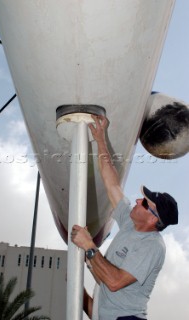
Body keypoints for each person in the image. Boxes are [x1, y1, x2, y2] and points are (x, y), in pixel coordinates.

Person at [71, 115, 178, 320]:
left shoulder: (152, 245)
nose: (138, 201)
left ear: (153, 220)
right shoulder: (129, 223)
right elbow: (111, 183)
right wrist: (100, 139)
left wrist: (89, 247)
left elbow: (113, 282)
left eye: (146, 203)